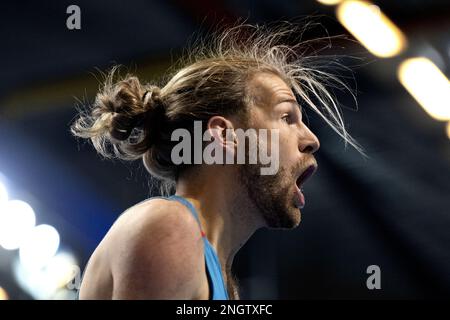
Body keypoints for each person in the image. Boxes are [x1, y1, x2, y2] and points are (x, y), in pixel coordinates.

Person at [71, 23, 361, 300]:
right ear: (225, 135)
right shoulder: (172, 228)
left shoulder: (218, 275)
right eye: (287, 117)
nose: (312, 139)